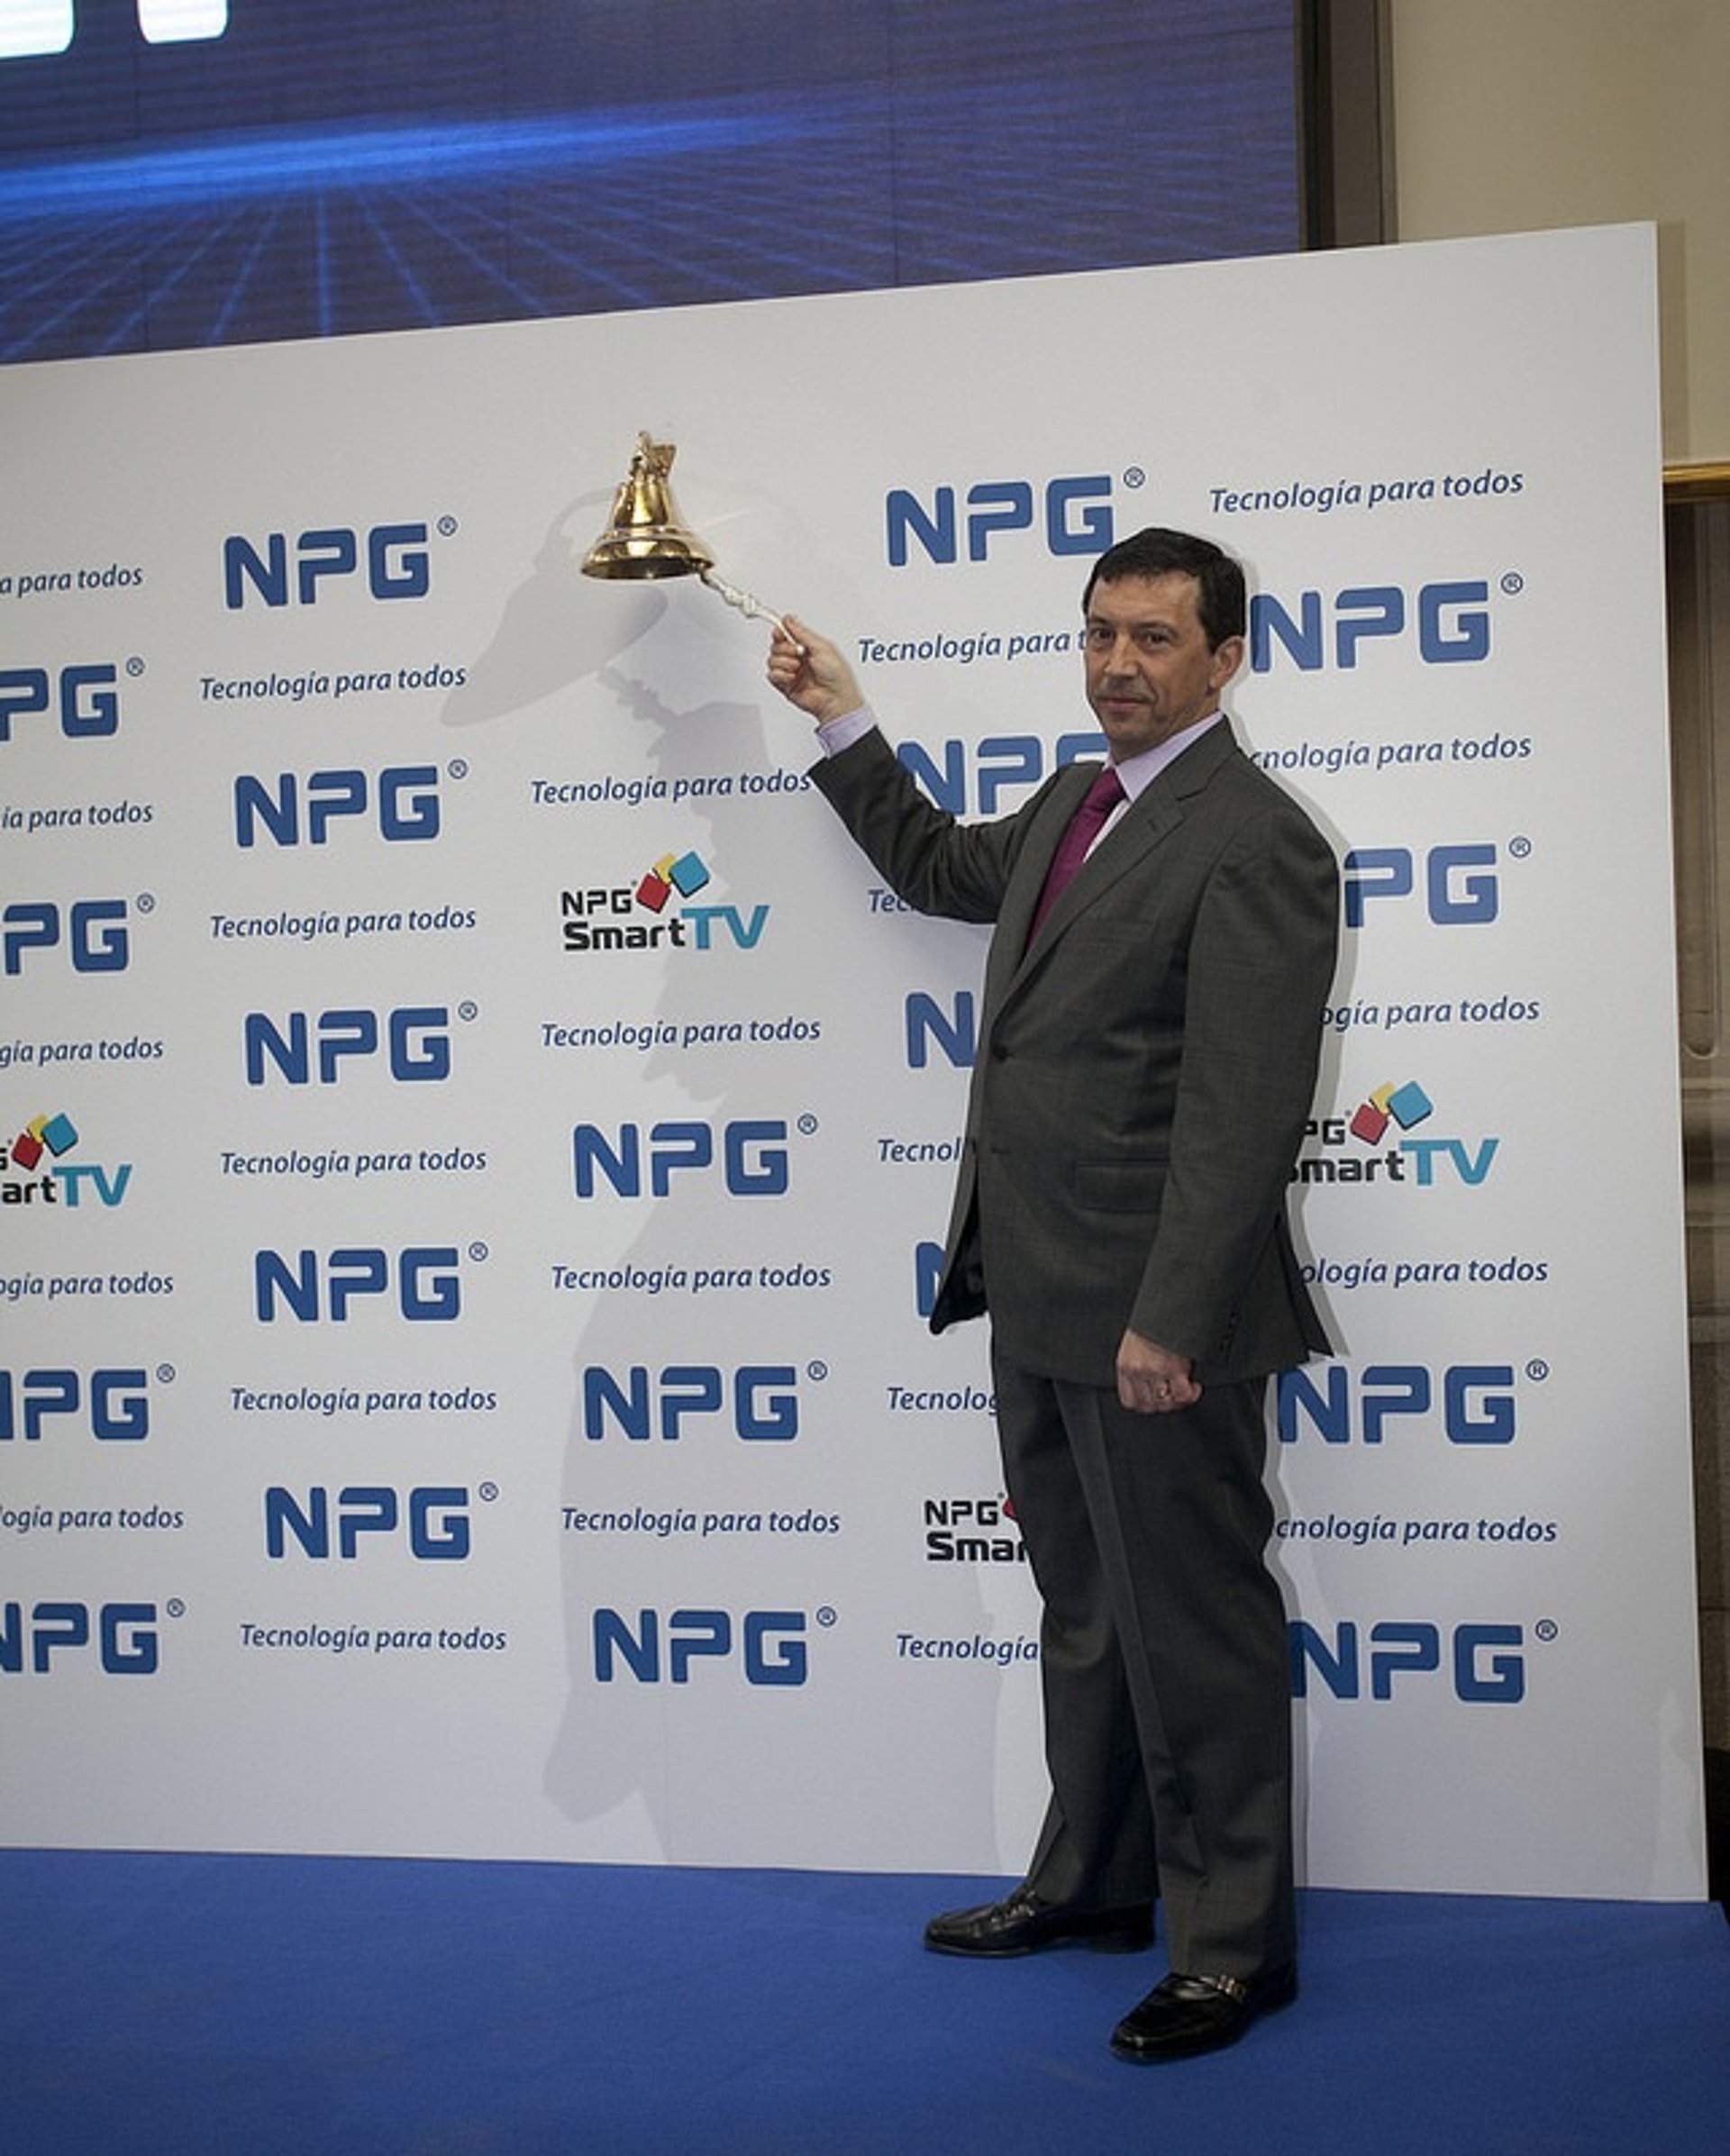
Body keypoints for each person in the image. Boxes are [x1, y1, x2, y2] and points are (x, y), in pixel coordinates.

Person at [765, 525, 1340, 2065]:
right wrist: (843, 716)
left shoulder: (1258, 838)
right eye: (1099, 633)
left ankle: (1232, 1949)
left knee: (1195, 1629)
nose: (1117, 664)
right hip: (1035, 1288)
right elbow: (941, 868)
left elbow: (1241, 1113)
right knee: (1086, 1611)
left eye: (1154, 639)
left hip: (1157, 1320)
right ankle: (1096, 1881)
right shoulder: (1075, 799)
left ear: (1227, 659)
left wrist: (1173, 1318)